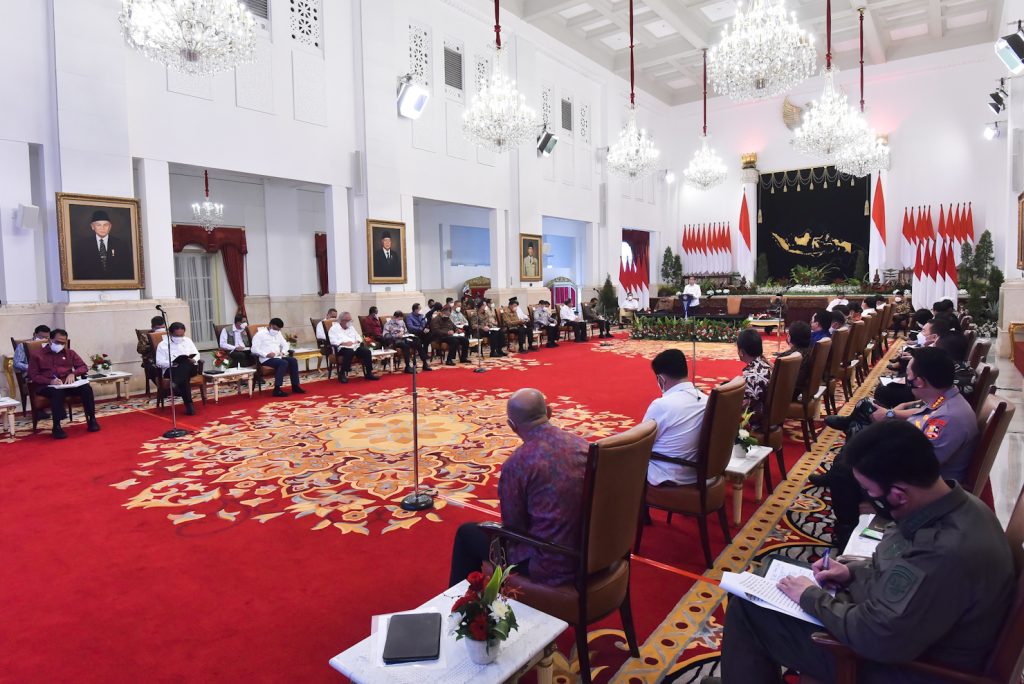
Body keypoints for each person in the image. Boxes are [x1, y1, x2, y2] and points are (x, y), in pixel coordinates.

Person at [708, 420, 1015, 684]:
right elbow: (897, 578)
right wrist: (852, 573)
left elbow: (877, 638)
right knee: (767, 575)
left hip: (910, 668)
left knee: (747, 609)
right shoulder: (957, 504)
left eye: (869, 491)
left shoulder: (943, 553)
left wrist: (811, 597)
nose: (867, 498)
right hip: (909, 635)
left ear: (899, 494)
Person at [448, 388, 587, 586]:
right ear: (549, 412)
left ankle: (463, 603)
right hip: (590, 552)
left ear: (511, 425)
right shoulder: (583, 445)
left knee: (467, 534)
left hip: (551, 562)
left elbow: (513, 528)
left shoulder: (518, 463)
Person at [643, 349, 708, 486]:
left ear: (661, 379)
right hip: (698, 472)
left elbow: (641, 443)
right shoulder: (706, 399)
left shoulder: (662, 405)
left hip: (667, 474)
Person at [26, 329, 100, 439]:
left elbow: (83, 367)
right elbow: (33, 375)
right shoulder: (37, 355)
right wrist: (50, 381)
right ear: (50, 340)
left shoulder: (70, 353)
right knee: (57, 392)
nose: (60, 345)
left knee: (86, 388)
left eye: (63, 343)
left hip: (67, 384)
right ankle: (57, 426)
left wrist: (73, 374)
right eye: (57, 342)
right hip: (47, 386)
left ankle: (92, 419)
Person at [70, 209, 134, 281]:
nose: (102, 228)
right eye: (98, 225)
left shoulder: (121, 245)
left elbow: (127, 271)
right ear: (92, 226)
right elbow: (77, 272)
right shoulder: (82, 245)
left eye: (105, 225)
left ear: (110, 226)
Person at [250, 318, 305, 397]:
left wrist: (283, 352)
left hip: (278, 357)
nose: (276, 331)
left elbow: (285, 344)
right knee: (283, 363)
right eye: (275, 329)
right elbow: (254, 349)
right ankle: (277, 389)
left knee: (293, 360)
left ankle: (295, 386)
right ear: (270, 325)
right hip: (266, 359)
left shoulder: (278, 333)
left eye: (278, 329)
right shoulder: (260, 334)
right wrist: (266, 354)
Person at [155, 322, 200, 415]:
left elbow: (197, 354)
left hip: (190, 367)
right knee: (184, 375)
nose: (179, 337)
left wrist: (194, 359)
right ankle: (189, 405)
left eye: (181, 335)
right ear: (170, 333)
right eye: (177, 335)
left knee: (185, 363)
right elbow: (159, 362)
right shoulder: (163, 345)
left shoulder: (188, 341)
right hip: (172, 369)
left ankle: (176, 384)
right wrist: (172, 363)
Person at [735, 329, 771, 433]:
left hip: (758, 422)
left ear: (741, 352)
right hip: (773, 414)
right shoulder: (766, 364)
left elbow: (743, 404)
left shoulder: (751, 376)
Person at [329, 312, 379, 383]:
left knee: (366, 351)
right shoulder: (334, 329)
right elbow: (333, 341)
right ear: (342, 321)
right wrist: (344, 343)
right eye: (348, 320)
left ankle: (369, 373)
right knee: (349, 352)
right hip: (341, 348)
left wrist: (357, 341)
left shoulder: (351, 327)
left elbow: (359, 337)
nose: (350, 322)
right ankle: (342, 374)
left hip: (354, 346)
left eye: (351, 320)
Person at [776, 321, 812, 399]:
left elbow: (776, 378)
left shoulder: (786, 357)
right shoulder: (812, 351)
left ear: (789, 337)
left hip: (786, 394)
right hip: (801, 389)